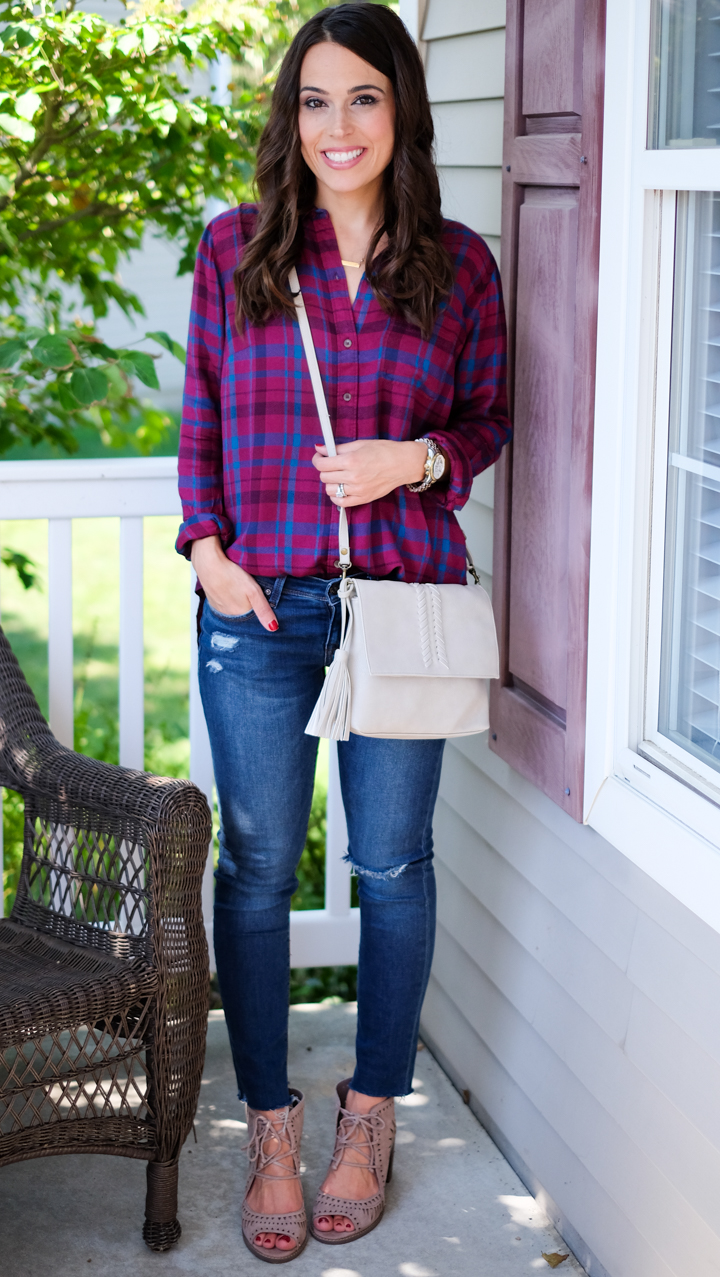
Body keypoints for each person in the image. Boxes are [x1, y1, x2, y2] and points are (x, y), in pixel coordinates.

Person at [176, 2, 511, 1263]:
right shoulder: (237, 251)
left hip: (403, 604)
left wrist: (413, 459)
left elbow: (486, 420)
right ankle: (270, 1121)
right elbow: (199, 416)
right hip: (257, 607)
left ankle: (368, 1113)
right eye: (315, 101)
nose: (338, 125)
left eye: (362, 97)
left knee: (391, 865)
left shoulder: (459, 264)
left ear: (402, 108)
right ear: (292, 117)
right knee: (258, 866)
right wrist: (207, 555)